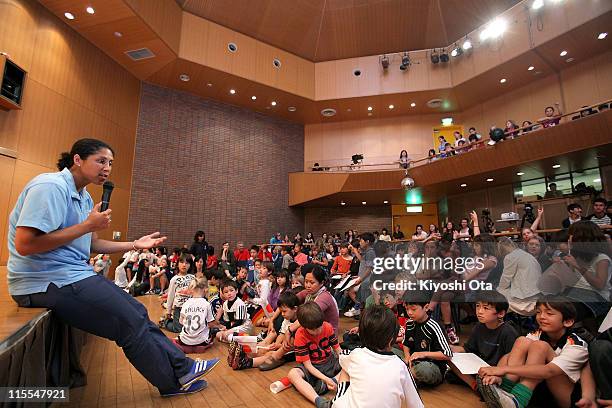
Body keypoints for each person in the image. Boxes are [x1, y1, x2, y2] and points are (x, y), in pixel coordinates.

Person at [7, 138, 218, 396]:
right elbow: (26, 244)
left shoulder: (84, 197)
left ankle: (182, 369)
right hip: (45, 280)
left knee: (137, 312)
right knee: (128, 321)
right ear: (77, 159)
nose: (107, 168)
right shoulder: (50, 187)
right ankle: (173, 380)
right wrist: (87, 225)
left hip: (72, 275)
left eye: (110, 163)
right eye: (101, 161)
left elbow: (92, 244)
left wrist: (134, 244)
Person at [477, 296, 594, 408]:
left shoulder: (576, 345)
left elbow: (549, 371)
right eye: (538, 312)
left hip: (566, 397)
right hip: (538, 391)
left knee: (540, 346)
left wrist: (501, 370)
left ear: (567, 322)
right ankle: (506, 391)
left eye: (549, 313)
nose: (541, 317)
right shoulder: (536, 334)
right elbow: (510, 357)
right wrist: (497, 374)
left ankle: (516, 399)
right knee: (522, 341)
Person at [330, 305, 424, 408]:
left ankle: (332, 404)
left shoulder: (356, 355)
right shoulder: (401, 366)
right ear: (391, 340)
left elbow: (342, 356)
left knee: (345, 369)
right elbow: (417, 405)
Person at [449, 292, 518, 393]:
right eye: (478, 306)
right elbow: (468, 349)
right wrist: (448, 348)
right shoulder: (479, 327)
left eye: (486, 308)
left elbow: (513, 362)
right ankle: (476, 386)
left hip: (497, 371)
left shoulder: (508, 332)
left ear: (501, 313)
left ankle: (485, 386)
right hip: (480, 367)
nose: (479, 311)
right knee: (449, 359)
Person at [229, 290, 300, 371]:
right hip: (282, 346)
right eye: (281, 311)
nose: (282, 314)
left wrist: (277, 346)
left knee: (270, 354)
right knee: (265, 349)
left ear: (295, 309)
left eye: (284, 311)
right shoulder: (287, 319)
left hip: (292, 351)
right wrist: (276, 344)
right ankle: (241, 356)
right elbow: (282, 333)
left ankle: (247, 362)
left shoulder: (298, 326)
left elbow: (290, 346)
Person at [287, 302, 341, 408]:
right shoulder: (300, 335)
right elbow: (308, 365)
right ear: (304, 326)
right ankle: (318, 400)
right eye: (312, 329)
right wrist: (326, 379)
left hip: (330, 362)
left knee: (350, 362)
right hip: (313, 366)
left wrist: (347, 360)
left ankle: (332, 381)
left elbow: (338, 349)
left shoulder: (327, 326)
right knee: (292, 374)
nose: (317, 331)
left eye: (319, 327)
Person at [403, 297, 453, 386]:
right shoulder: (409, 323)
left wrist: (423, 354)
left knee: (423, 369)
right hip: (413, 362)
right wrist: (407, 356)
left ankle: (406, 376)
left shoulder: (434, 326)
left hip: (431, 366)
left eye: (413, 309)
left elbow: (447, 354)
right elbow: (406, 343)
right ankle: (409, 376)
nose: (409, 312)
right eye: (407, 309)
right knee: (391, 352)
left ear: (426, 307)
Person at [173, 278, 218, 354]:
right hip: (202, 341)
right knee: (214, 331)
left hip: (185, 341)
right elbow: (211, 324)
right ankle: (204, 346)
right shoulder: (206, 304)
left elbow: (181, 322)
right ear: (205, 290)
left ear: (192, 290)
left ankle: (185, 347)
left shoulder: (186, 303)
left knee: (180, 336)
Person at [161, 254, 196, 333]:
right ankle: (165, 322)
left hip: (190, 309)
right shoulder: (174, 279)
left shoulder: (193, 277)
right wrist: (168, 311)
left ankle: (173, 321)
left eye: (187, 263)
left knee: (189, 329)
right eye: (181, 262)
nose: (184, 265)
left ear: (190, 265)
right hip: (179, 308)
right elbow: (170, 296)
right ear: (177, 264)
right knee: (178, 329)